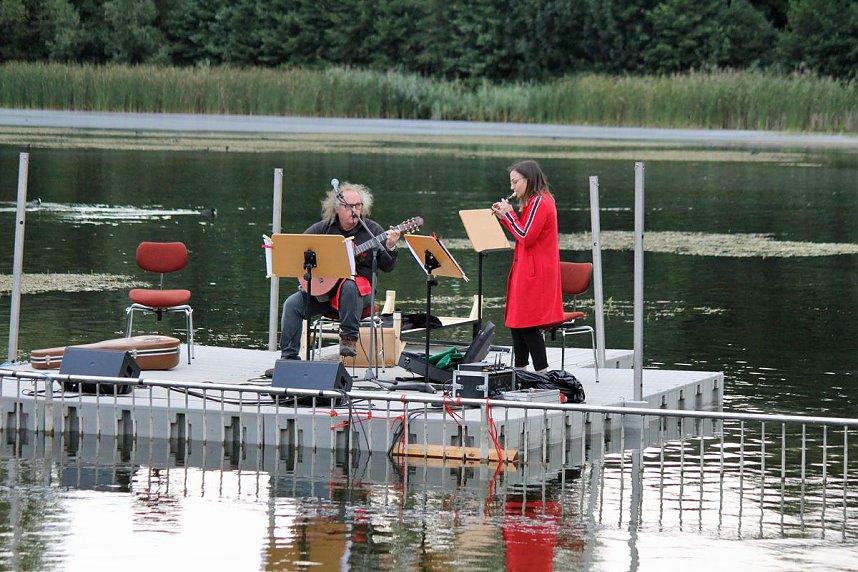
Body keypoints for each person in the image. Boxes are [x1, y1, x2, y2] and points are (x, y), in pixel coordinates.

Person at [279, 182, 400, 359]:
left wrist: (390, 245)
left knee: (350, 286)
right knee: (292, 305)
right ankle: (288, 358)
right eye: (349, 206)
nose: (355, 210)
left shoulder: (372, 230)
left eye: (358, 206)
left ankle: (348, 339)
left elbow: (388, 266)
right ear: (337, 209)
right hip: (326, 293)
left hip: (360, 295)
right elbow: (300, 250)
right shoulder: (323, 229)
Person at [491, 160, 563, 372]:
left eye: (515, 182)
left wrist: (509, 214)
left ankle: (542, 372)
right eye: (511, 183)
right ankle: (520, 370)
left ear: (528, 180)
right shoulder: (534, 202)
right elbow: (523, 231)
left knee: (528, 322)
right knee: (516, 320)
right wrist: (505, 218)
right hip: (527, 268)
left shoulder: (541, 202)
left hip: (535, 271)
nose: (512, 188)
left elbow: (526, 236)